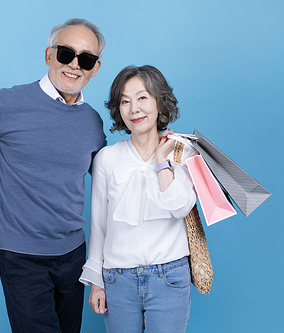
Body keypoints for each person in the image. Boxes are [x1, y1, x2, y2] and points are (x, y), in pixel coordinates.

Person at [0, 18, 106, 333]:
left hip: (74, 255)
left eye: (85, 59)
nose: (74, 65)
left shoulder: (92, 123)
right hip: (21, 254)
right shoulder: (9, 104)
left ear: (95, 68)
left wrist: (158, 157)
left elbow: (108, 178)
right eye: (66, 54)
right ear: (49, 55)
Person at [79, 65, 197, 333]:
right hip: (117, 279)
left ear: (159, 101)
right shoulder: (106, 158)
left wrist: (160, 162)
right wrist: (97, 281)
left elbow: (180, 208)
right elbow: (98, 225)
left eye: (142, 98)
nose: (134, 109)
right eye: (125, 101)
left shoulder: (182, 151)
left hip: (170, 277)